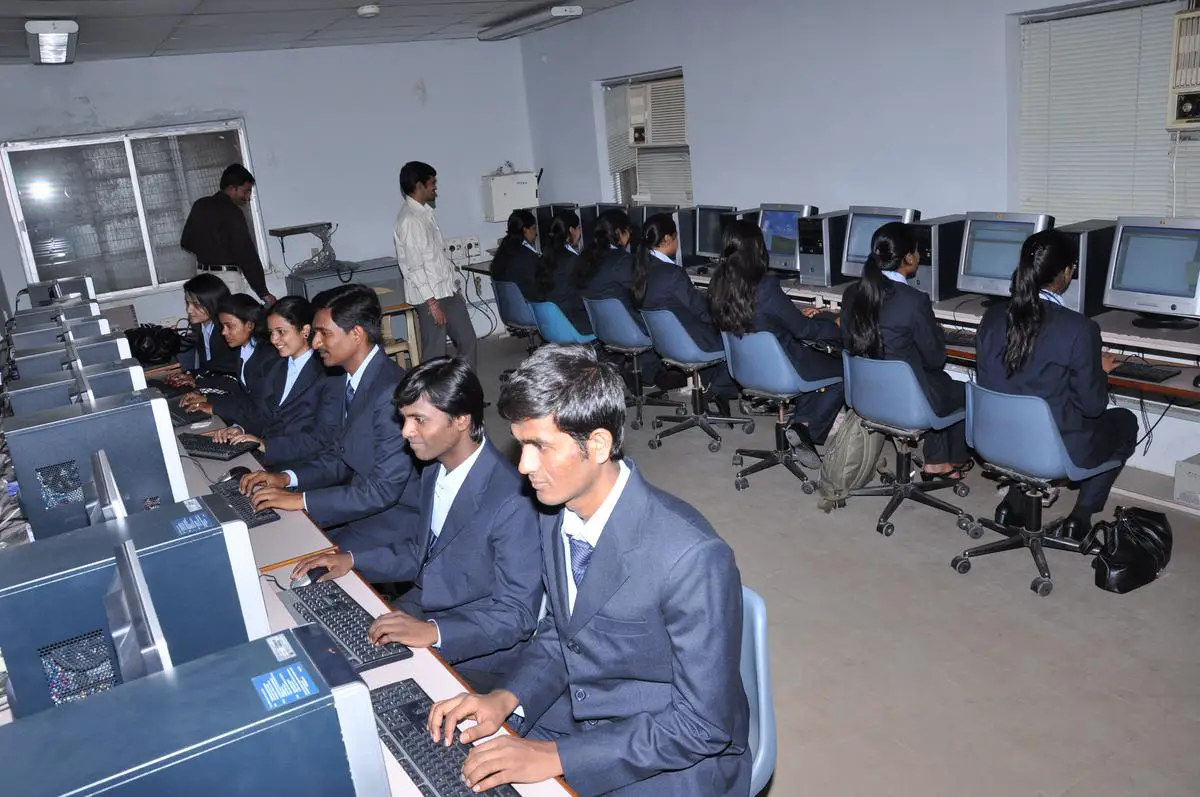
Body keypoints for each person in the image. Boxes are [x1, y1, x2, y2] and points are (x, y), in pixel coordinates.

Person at [427, 345, 750, 797]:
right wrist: (506, 698)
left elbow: (703, 725)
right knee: (452, 765)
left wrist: (556, 757)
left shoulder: (691, 556)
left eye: (539, 446)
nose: (523, 467)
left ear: (597, 444)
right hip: (585, 711)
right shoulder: (553, 512)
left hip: (674, 752)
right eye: (521, 445)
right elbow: (565, 633)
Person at [287, 357, 542, 692]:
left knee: (362, 684)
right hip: (428, 604)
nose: (406, 432)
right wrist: (351, 559)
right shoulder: (434, 469)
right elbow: (422, 555)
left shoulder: (512, 500)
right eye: (405, 419)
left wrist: (434, 632)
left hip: (479, 648)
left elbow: (516, 615)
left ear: (461, 420)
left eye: (419, 420)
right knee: (327, 647)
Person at [976, 229, 1137, 541]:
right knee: (1124, 421)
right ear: (1066, 272)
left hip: (994, 438)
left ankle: (1013, 503)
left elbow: (997, 379)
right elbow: (1092, 406)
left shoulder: (993, 316)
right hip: (1052, 449)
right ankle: (1080, 517)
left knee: (1027, 407)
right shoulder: (1079, 329)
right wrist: (1098, 371)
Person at [239, 283, 420, 551]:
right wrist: (287, 478)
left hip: (394, 521)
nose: (315, 343)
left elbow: (382, 491)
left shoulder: (390, 392)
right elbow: (340, 457)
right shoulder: (350, 380)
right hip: (360, 501)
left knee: (292, 549)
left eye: (324, 333)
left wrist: (302, 500)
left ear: (356, 334)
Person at [708, 219, 844, 469]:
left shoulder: (718, 285)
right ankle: (805, 428)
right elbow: (804, 331)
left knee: (814, 363)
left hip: (745, 371)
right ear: (757, 250)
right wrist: (835, 326)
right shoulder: (767, 287)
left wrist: (792, 313)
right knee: (841, 371)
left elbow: (757, 319)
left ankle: (800, 427)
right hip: (783, 370)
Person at [840, 222, 971, 479]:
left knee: (935, 382)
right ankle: (945, 461)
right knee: (962, 390)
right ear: (909, 258)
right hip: (907, 402)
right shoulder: (913, 300)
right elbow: (935, 359)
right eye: (918, 251)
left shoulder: (852, 293)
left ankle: (938, 459)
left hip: (864, 395)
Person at [630, 212, 739, 415]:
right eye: (676, 236)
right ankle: (714, 392)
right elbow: (701, 312)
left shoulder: (641, 269)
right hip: (690, 342)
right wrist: (728, 315)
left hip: (665, 344)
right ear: (668, 239)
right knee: (737, 335)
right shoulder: (673, 274)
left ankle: (712, 391)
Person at [209, 296, 333, 468]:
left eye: (281, 332)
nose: (274, 340)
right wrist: (240, 429)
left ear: (305, 330)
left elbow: (320, 438)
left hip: (305, 464)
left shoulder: (326, 373)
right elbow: (264, 413)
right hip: (270, 456)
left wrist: (265, 445)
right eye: (271, 333)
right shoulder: (275, 366)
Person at [573, 207, 671, 387]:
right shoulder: (622, 261)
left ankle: (633, 369)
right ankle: (646, 375)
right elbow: (643, 293)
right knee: (663, 314)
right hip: (629, 330)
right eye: (628, 230)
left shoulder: (587, 258)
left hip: (603, 330)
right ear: (619, 232)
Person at [393, 160, 477, 368]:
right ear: (419, 186)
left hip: (446, 290)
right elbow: (414, 267)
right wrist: (432, 304)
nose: (435, 188)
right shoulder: (410, 220)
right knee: (435, 355)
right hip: (430, 297)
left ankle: (463, 394)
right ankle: (429, 398)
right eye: (432, 183)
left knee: (468, 341)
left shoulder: (425, 213)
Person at [180, 163, 275, 305]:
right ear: (232, 188)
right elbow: (246, 255)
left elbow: (186, 242)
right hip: (227, 279)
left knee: (210, 320)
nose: (248, 197)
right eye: (246, 191)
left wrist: (208, 251)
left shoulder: (201, 205)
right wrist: (263, 292)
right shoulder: (233, 213)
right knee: (232, 321)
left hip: (203, 277)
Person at [178, 293, 275, 423]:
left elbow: (261, 409)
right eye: (223, 326)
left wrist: (215, 407)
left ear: (250, 325)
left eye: (229, 326)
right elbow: (243, 396)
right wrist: (208, 399)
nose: (224, 332)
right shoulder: (245, 351)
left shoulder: (267, 358)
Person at [167, 273, 236, 387]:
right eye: (187, 303)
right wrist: (190, 375)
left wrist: (198, 381)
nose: (189, 310)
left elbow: (230, 375)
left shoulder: (227, 333)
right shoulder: (201, 327)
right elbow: (210, 368)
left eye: (196, 304)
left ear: (213, 303)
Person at [536, 209, 592, 334]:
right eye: (578, 228)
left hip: (550, 321)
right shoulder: (572, 260)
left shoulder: (546, 256)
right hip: (571, 321)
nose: (580, 232)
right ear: (571, 230)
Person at [491, 209, 540, 301]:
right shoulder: (528, 256)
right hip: (530, 309)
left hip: (511, 310)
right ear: (525, 230)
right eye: (533, 228)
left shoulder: (502, 252)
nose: (536, 233)